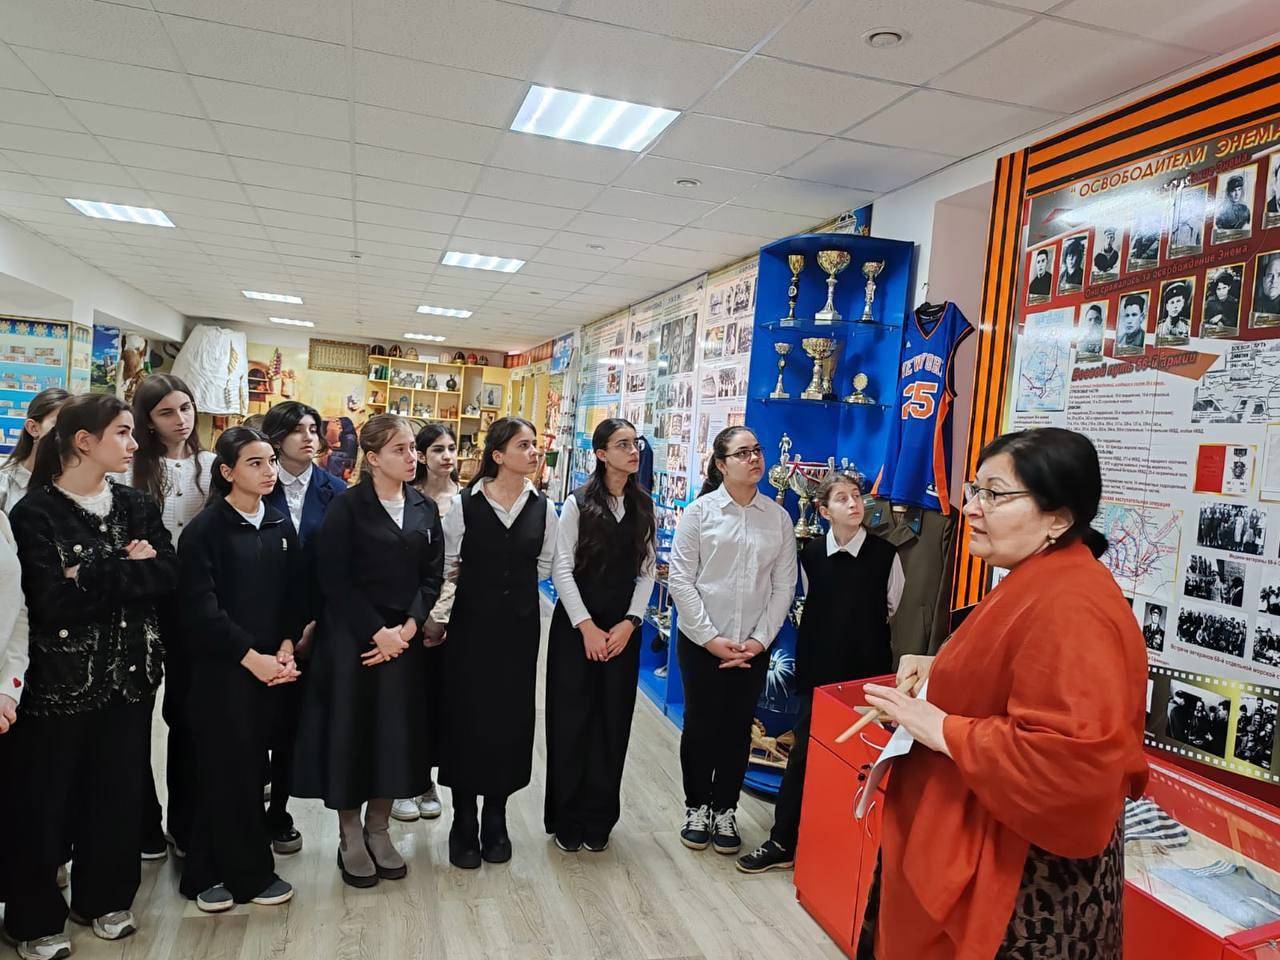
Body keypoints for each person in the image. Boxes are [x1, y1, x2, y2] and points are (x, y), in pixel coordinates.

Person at [857, 427, 1147, 959]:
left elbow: (1068, 758)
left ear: (1058, 518)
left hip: (1021, 881)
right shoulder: (1042, 575)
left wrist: (940, 727)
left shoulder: (1074, 605)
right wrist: (942, 672)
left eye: (994, 494)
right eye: (975, 490)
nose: (971, 508)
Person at [4, 394, 178, 957]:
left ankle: (104, 898)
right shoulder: (34, 513)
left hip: (131, 675)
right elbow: (48, 601)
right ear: (84, 441)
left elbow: (166, 575)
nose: (134, 443)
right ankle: (33, 919)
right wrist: (124, 564)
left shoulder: (136, 504)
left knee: (118, 793)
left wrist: (87, 572)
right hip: (59, 681)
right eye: (122, 432)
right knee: (45, 800)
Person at [292, 414, 444, 888]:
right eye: (400, 449)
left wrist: (408, 628)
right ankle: (350, 833)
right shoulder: (347, 506)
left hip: (404, 640)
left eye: (413, 448)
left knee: (394, 735)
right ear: (373, 458)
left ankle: (379, 827)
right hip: (352, 640)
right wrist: (378, 632)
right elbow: (334, 578)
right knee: (351, 733)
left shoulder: (423, 507)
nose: (412, 457)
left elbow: (432, 575)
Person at [737, 470, 902, 874]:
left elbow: (891, 606)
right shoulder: (809, 555)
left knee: (858, 761)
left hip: (865, 675)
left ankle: (843, 849)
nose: (854, 504)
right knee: (804, 756)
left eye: (856, 496)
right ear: (823, 511)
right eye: (842, 498)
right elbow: (805, 599)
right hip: (818, 671)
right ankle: (783, 840)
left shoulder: (886, 555)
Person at [176, 427, 302, 913]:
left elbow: (294, 593)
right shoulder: (204, 531)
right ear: (227, 472)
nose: (269, 471)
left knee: (252, 771)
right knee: (224, 771)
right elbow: (200, 610)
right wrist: (252, 658)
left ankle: (224, 868)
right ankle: (225, 874)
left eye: (271, 461)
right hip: (224, 670)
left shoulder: (278, 524)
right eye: (255, 462)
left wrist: (287, 645)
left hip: (274, 667)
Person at [668, 426, 795, 856]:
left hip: (752, 647)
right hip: (701, 643)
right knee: (701, 726)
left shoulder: (777, 518)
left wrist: (758, 641)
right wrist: (710, 638)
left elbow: (784, 586)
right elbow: (681, 581)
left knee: (738, 729)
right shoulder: (699, 514)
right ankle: (696, 807)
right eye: (743, 453)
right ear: (722, 464)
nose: (754, 458)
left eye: (757, 450)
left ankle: (725, 808)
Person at [438, 417, 557, 869]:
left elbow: (545, 564)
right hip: (470, 627)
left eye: (534, 444)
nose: (533, 452)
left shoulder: (543, 507)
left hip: (519, 629)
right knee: (466, 716)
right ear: (498, 455)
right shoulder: (464, 504)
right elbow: (448, 562)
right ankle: (463, 817)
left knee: (510, 717)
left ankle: (496, 814)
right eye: (523, 445)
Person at [545, 418, 656, 853]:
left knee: (613, 723)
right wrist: (586, 626)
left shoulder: (643, 504)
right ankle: (566, 816)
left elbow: (647, 572)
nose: (633, 451)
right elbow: (561, 568)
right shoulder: (578, 503)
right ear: (601, 453)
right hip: (577, 629)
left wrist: (631, 622)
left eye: (635, 443)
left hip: (622, 631)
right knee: (571, 721)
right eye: (622, 444)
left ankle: (599, 816)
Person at [129, 373, 216, 862]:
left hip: (195, 602)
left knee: (185, 713)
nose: (180, 420)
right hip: (143, 601)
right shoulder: (131, 468)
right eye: (166, 412)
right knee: (135, 716)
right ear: (147, 420)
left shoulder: (211, 465)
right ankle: (143, 823)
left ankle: (185, 823)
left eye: (185, 408)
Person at [261, 401, 346, 855]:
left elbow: (341, 564)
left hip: (315, 622)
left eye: (314, 429)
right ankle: (248, 807)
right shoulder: (257, 481)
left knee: (295, 721)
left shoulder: (336, 490)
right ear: (276, 438)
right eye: (297, 430)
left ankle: (280, 811)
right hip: (260, 620)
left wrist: (315, 623)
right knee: (256, 720)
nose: (309, 437)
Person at [391, 423, 461, 824]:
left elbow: (460, 568)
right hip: (406, 613)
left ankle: (424, 780)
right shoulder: (407, 496)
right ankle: (400, 780)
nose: (447, 456)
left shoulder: (467, 499)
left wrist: (441, 616)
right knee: (404, 700)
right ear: (420, 455)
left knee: (436, 701)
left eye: (451, 448)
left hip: (449, 616)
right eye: (437, 449)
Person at [0, 388, 70, 515]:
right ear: (33, 428)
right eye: (61, 423)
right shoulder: (5, 482)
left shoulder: (77, 484)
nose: (71, 434)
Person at [1203, 270, 1239, 334]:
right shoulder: (1210, 302)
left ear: (1229, 287)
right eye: (1218, 289)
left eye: (1224, 288)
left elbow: (1235, 322)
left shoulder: (1234, 302)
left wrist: (1221, 317)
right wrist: (1213, 322)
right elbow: (1204, 320)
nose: (1221, 292)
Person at [1254, 253, 1280, 318]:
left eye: (1279, 275)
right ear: (1264, 281)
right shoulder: (1254, 304)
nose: (1274, 280)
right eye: (1270, 275)